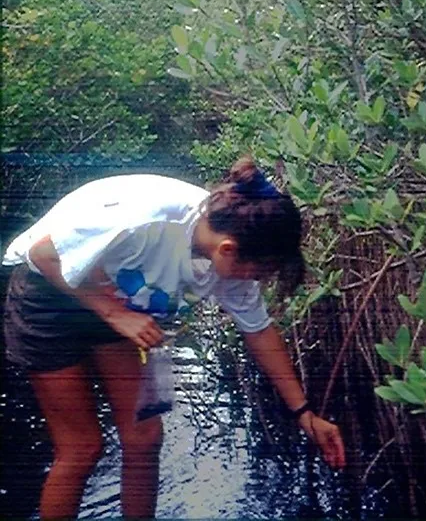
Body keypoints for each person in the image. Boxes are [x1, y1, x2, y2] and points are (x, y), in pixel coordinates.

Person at [2, 155, 346, 521]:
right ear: (227, 249)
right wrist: (115, 314)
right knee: (82, 447)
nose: (257, 281)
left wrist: (304, 413)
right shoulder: (146, 219)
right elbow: (42, 254)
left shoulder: (230, 247)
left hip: (121, 306)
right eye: (259, 271)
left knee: (145, 439)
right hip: (50, 295)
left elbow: (259, 330)